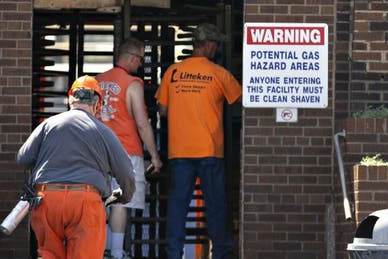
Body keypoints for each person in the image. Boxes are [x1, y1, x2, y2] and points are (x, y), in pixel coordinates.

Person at [16, 75, 136, 259]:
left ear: (71, 98)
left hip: (47, 200)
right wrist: (124, 196)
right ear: (97, 103)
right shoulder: (104, 132)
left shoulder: (48, 124)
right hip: (85, 202)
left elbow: (23, 159)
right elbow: (126, 172)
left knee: (49, 255)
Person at [155, 23, 242, 259]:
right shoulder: (218, 72)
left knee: (177, 206)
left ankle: (173, 254)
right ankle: (221, 253)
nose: (217, 48)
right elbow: (239, 100)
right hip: (210, 150)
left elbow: (162, 109)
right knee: (215, 205)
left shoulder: (172, 72)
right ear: (209, 44)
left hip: (179, 151)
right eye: (216, 44)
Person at [96, 37, 164, 259]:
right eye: (141, 60)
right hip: (125, 151)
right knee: (119, 203)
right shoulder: (132, 84)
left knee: (98, 203)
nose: (141, 65)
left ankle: (98, 250)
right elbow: (143, 124)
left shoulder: (95, 82)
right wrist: (154, 155)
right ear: (132, 57)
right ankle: (115, 252)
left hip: (98, 152)